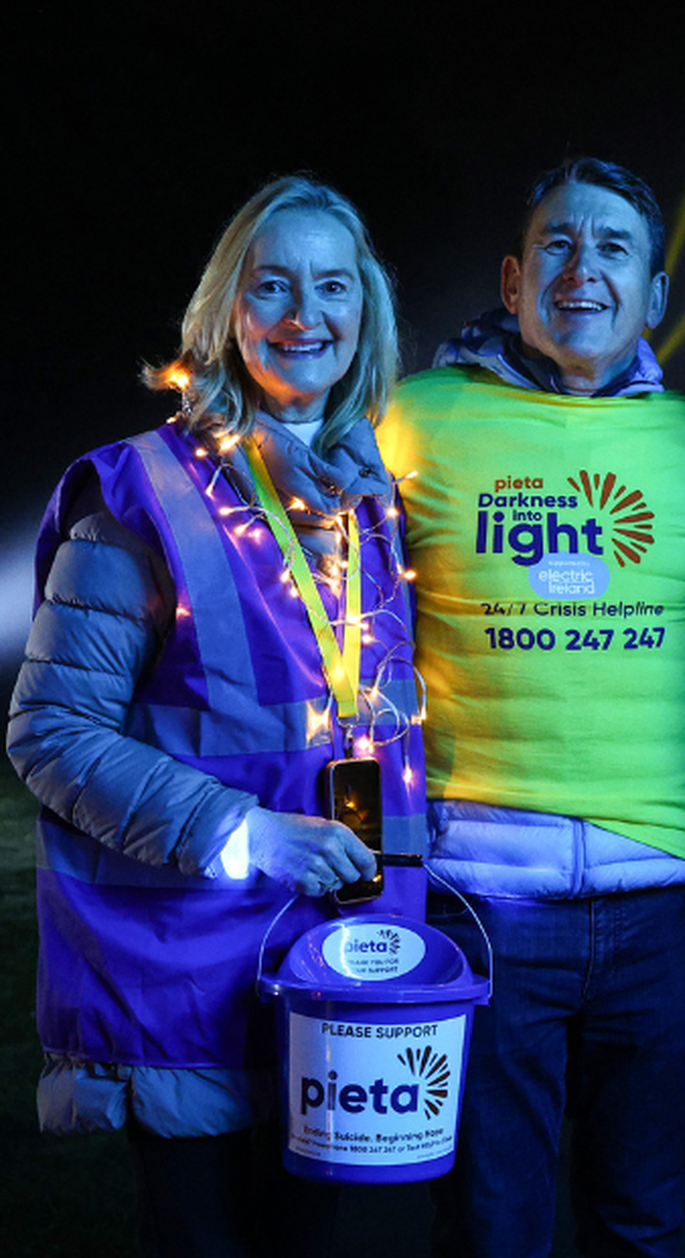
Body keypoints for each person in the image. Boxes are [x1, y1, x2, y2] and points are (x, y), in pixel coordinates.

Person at [7, 175, 425, 1257]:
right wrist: (248, 834)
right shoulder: (141, 491)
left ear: (365, 313)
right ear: (225, 313)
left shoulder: (375, 499)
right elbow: (50, 733)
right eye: (271, 284)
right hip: (181, 980)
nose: (303, 314)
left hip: (336, 961)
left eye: (333, 286)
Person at [376, 157, 685, 1258]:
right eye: (559, 246)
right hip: (477, 900)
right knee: (489, 1227)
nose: (585, 271)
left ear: (654, 296)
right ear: (514, 281)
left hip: (661, 908)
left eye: (614, 249)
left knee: (639, 1225)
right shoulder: (409, 418)